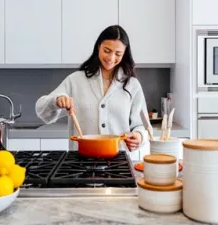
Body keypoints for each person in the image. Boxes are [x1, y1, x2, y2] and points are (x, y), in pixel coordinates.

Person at [35, 25, 149, 154]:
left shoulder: (132, 85)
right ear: (98, 46)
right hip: (81, 163)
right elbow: (41, 110)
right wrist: (56, 101)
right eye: (107, 50)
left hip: (119, 164)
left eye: (118, 54)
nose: (111, 58)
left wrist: (139, 136)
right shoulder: (76, 80)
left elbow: (142, 125)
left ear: (124, 54)